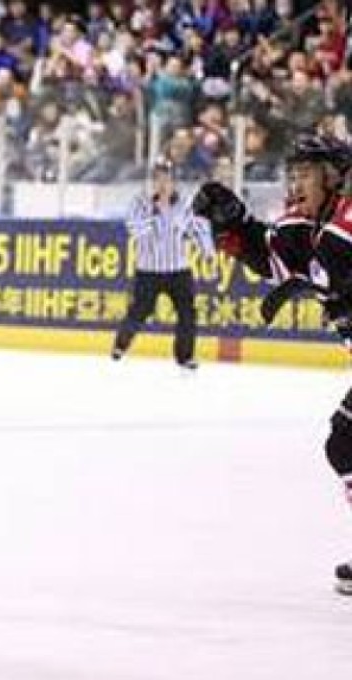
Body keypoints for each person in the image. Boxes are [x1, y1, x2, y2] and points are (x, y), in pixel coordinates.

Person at [192, 134, 352, 593]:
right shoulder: (304, 225)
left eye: (306, 173)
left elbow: (330, 267)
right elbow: (272, 256)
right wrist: (236, 223)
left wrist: (320, 281)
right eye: (293, 173)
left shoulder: (346, 220)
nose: (295, 183)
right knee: (344, 446)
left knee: (345, 443)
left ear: (334, 178)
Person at [111, 157, 215, 369]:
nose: (163, 184)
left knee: (187, 312)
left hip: (178, 269)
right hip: (148, 270)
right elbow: (136, 230)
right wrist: (156, 212)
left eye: (167, 179)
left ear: (173, 181)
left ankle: (185, 356)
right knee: (140, 310)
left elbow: (198, 228)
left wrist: (208, 252)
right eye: (158, 179)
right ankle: (121, 344)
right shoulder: (140, 203)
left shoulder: (185, 204)